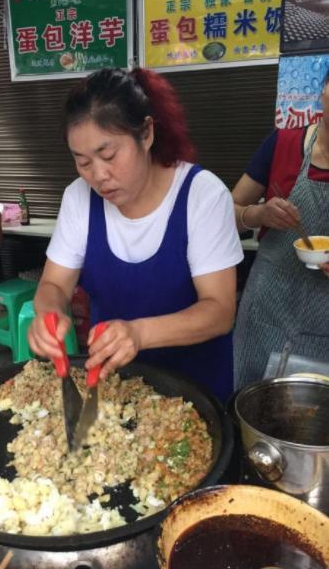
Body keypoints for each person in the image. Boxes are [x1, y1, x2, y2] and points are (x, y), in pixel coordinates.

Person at [28, 67, 243, 404]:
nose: (98, 176)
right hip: (114, 389)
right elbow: (54, 285)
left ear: (146, 134)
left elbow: (219, 311)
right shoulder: (78, 198)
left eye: (109, 155)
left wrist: (138, 333)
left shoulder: (202, 195)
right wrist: (50, 315)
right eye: (82, 162)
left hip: (196, 391)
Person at [232, 70, 329, 389]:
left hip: (324, 325)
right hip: (264, 312)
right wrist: (258, 213)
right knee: (244, 403)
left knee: (309, 419)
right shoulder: (283, 144)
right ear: (323, 91)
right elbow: (224, 215)